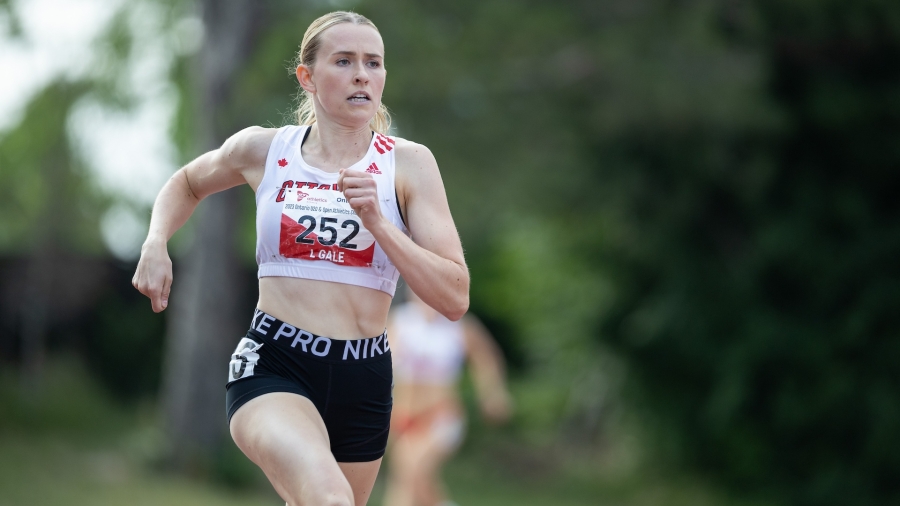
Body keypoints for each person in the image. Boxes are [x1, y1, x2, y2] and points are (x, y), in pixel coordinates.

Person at [131, 11, 469, 506]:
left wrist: (379, 223)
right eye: (344, 61)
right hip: (276, 362)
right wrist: (156, 241)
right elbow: (186, 182)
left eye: (373, 63)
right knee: (329, 499)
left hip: (364, 374)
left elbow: (454, 296)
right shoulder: (265, 150)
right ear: (307, 77)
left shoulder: (409, 164)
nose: (361, 74)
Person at [382, 287, 512, 506]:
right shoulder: (400, 322)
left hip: (440, 414)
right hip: (404, 416)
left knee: (413, 471)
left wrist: (493, 394)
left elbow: (485, 357)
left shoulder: (459, 326)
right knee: (404, 484)